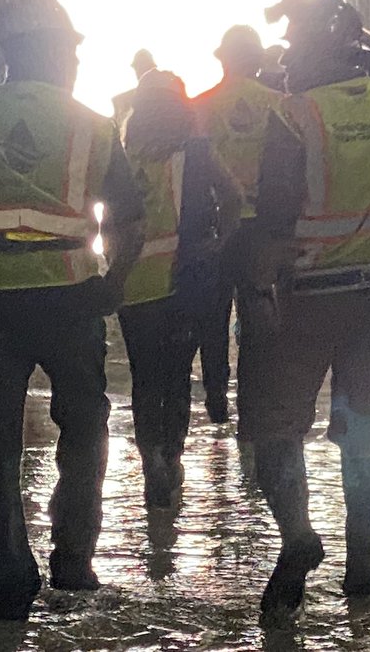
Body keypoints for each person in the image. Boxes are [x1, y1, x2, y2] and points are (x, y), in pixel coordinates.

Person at [0, 0, 145, 620]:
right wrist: (113, 284)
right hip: (70, 297)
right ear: (57, 52)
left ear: (7, 53)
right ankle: (73, 563)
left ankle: (10, 582)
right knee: (86, 428)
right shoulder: (92, 124)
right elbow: (130, 217)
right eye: (69, 50)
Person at [238, 0, 370, 621]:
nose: (286, 59)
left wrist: (259, 294)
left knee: (276, 429)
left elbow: (274, 219)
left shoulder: (295, 117)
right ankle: (362, 568)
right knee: (363, 424)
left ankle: (298, 537)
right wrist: (340, 16)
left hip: (307, 300)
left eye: (294, 45)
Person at [117, 69, 243, 507]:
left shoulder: (124, 155)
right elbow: (234, 199)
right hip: (187, 282)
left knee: (145, 378)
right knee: (176, 376)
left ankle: (150, 453)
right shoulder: (198, 154)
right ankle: (171, 456)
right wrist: (218, 242)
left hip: (135, 285)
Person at [191, 26, 285, 423]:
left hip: (216, 227)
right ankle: (251, 401)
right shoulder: (279, 104)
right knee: (256, 315)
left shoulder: (201, 106)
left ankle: (216, 399)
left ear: (222, 59)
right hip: (260, 228)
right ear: (257, 59)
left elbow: (190, 175)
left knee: (212, 316)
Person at [111, 48, 159, 122]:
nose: (140, 71)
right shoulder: (121, 101)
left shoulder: (164, 95)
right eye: (138, 67)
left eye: (144, 67)